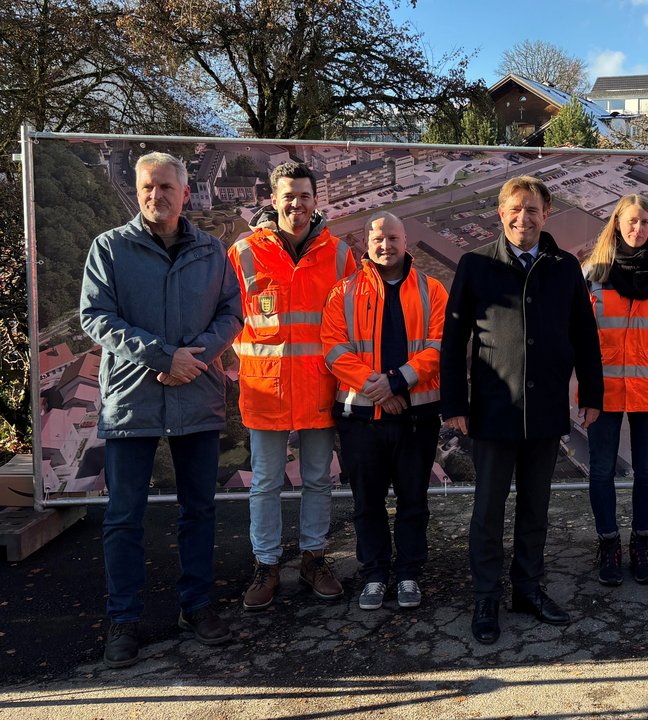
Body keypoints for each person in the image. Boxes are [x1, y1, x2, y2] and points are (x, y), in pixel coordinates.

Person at [80, 152, 242, 667]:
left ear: (185, 193)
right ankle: (123, 619)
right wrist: (163, 356)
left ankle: (197, 606)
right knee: (123, 516)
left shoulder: (212, 250)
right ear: (137, 191)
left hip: (196, 394)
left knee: (199, 509)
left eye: (167, 187)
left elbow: (231, 313)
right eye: (148, 187)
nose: (157, 195)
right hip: (134, 398)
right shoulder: (109, 247)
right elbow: (95, 316)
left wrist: (196, 358)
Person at [441, 175, 604, 644]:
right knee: (488, 511)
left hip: (546, 409)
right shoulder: (476, 264)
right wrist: (454, 403)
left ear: (546, 214)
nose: (523, 218)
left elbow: (584, 334)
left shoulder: (565, 267)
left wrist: (592, 394)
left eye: (532, 209)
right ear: (501, 213)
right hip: (493, 411)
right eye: (515, 209)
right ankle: (486, 596)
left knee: (536, 509)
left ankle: (527, 589)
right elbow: (454, 340)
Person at [230, 162, 357, 610]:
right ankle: (266, 564)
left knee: (318, 479)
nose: (296, 204)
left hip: (320, 387)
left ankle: (313, 558)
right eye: (288, 196)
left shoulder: (339, 254)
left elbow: (353, 322)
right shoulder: (244, 252)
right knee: (265, 482)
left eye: (304, 196)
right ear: (273, 199)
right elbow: (226, 317)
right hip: (265, 389)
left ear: (316, 200)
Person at [320, 212, 447, 611]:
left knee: (413, 501)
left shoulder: (432, 290)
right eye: (378, 238)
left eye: (393, 238)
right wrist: (379, 389)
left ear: (406, 241)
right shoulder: (343, 291)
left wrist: (397, 381)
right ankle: (374, 574)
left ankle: (408, 572)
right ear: (366, 243)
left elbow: (441, 345)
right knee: (367, 504)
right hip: (361, 420)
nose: (386, 245)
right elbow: (333, 349)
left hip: (416, 418)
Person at [581, 195, 648, 586]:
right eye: (631, 221)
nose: (637, 228)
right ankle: (608, 543)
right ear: (617, 223)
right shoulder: (593, 272)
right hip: (603, 388)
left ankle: (642, 543)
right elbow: (580, 331)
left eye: (644, 222)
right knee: (601, 469)